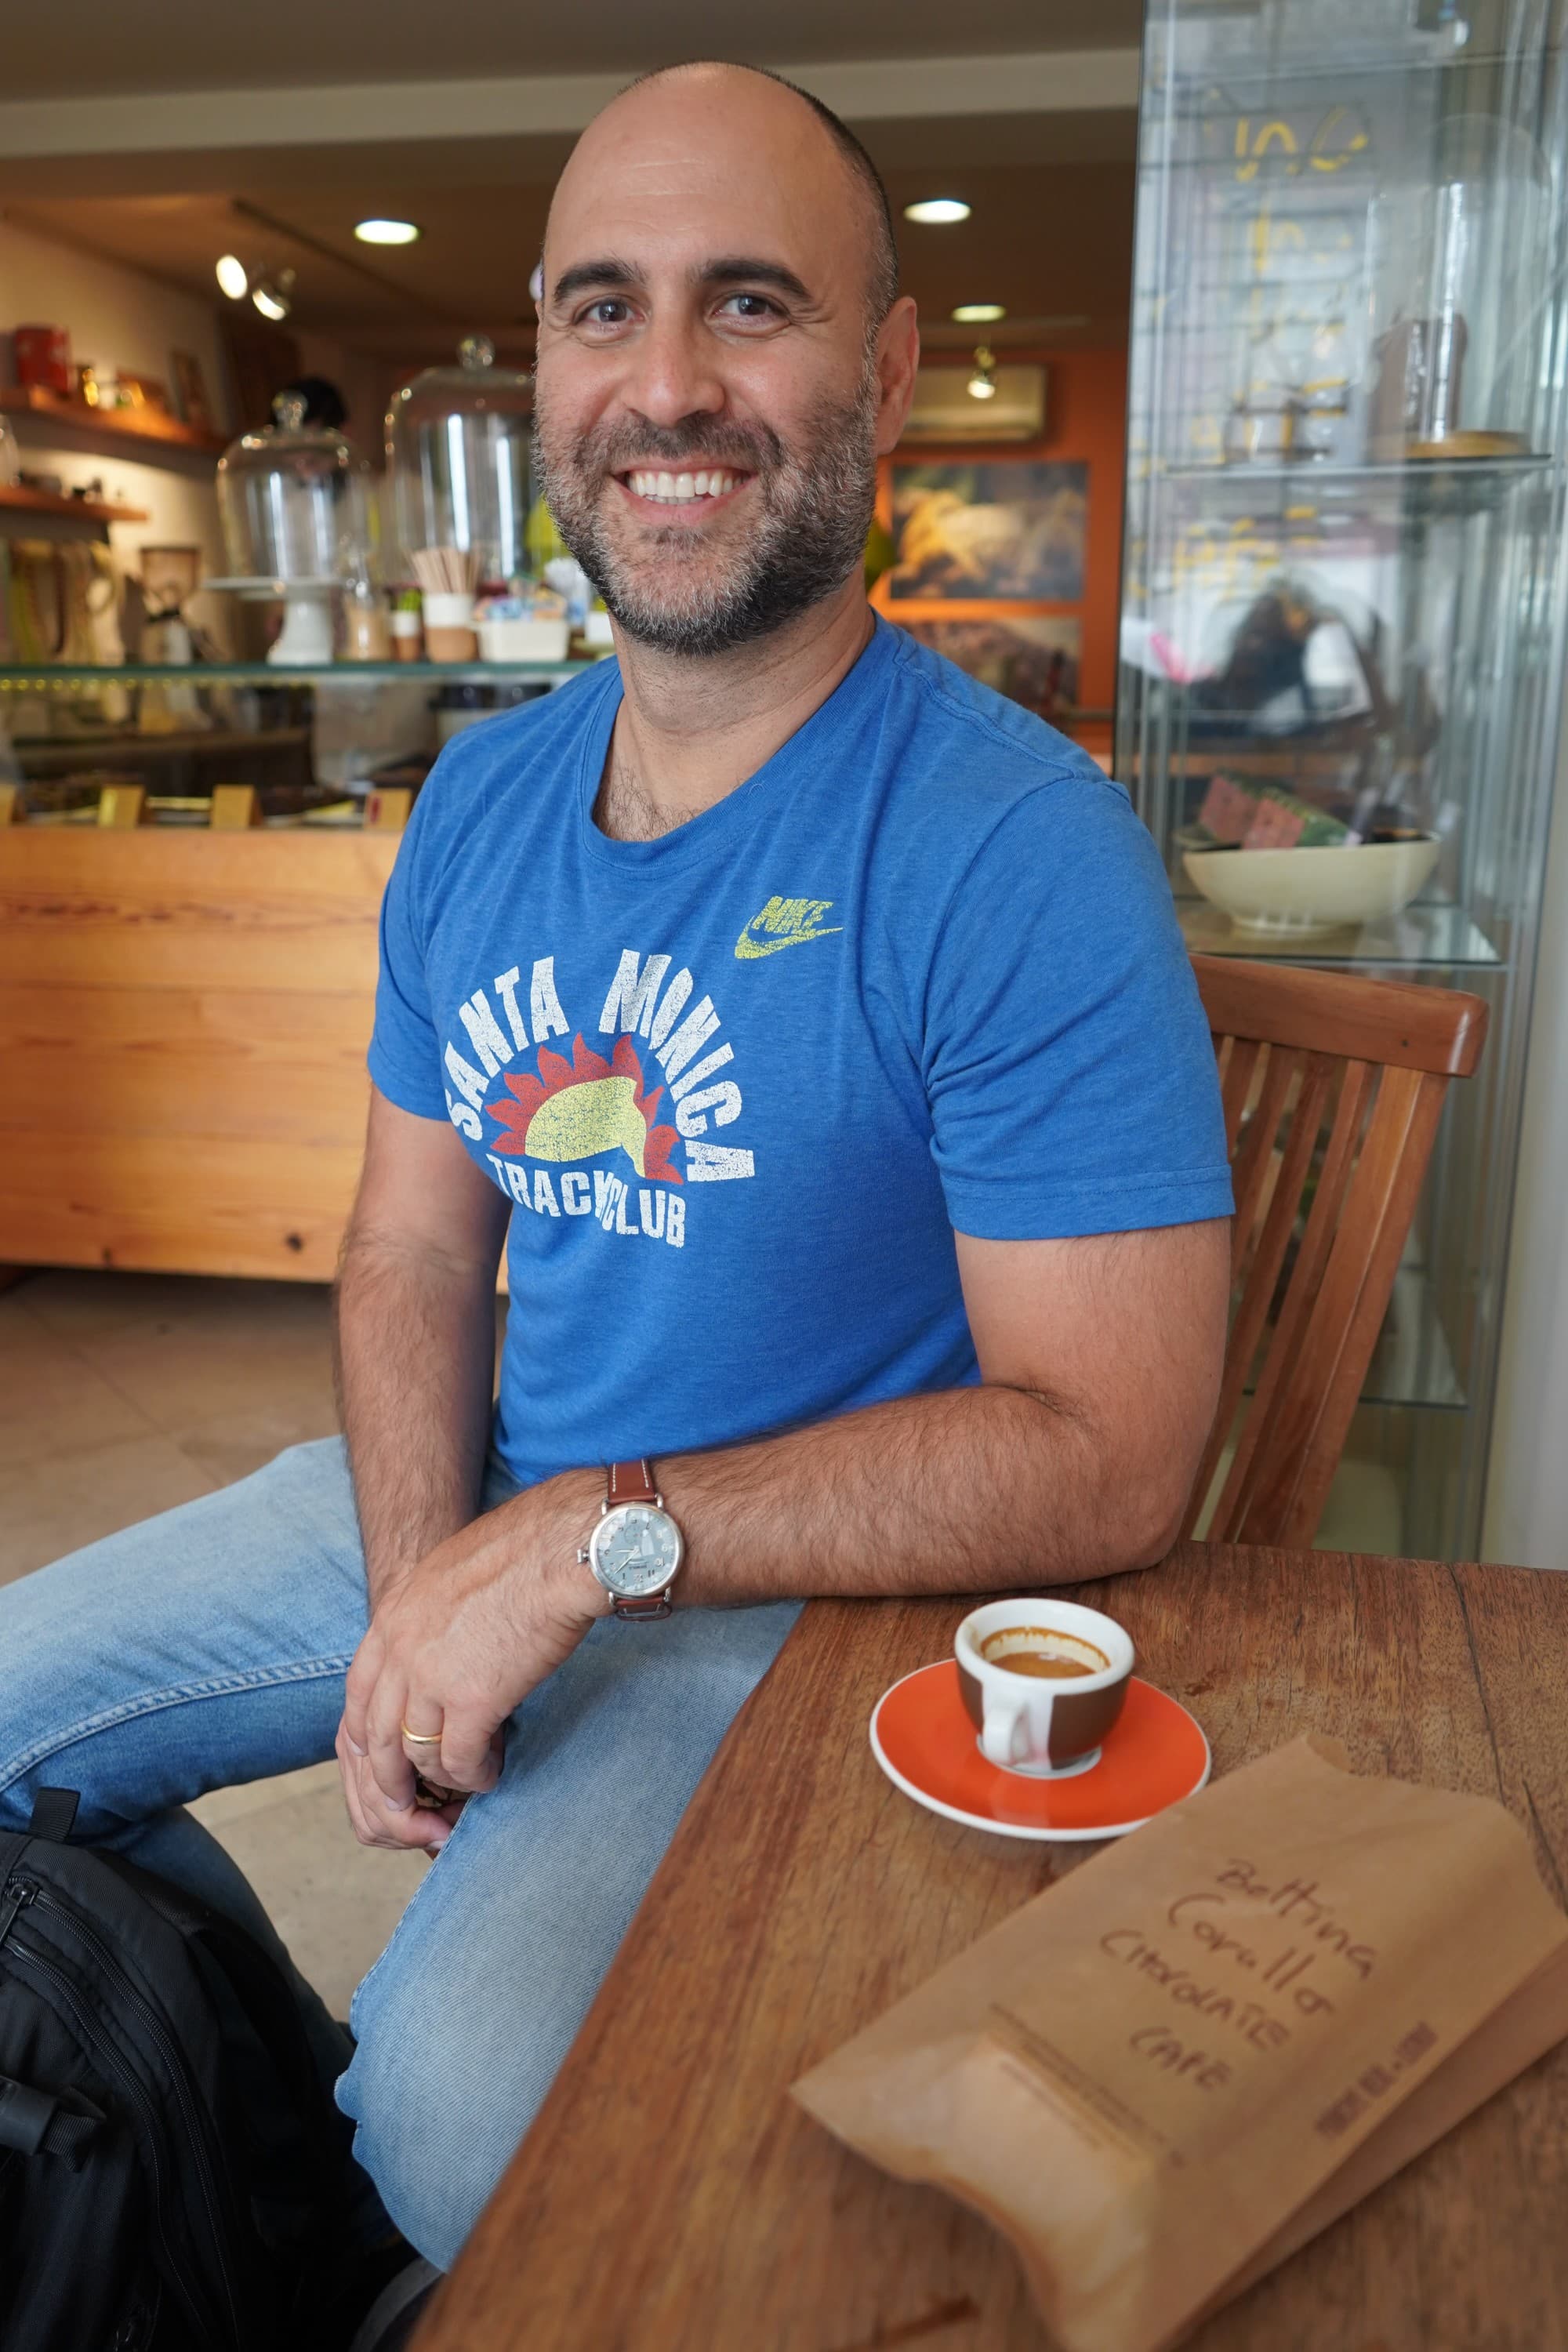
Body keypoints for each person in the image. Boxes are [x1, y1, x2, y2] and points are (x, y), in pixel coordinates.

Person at [0, 60, 1233, 2271]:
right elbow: (409, 1244)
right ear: (549, 367)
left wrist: (587, 1546)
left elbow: (1117, 1449)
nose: (667, 386)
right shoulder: (484, 801)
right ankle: (233, 2151)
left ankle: (326, 2197)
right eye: (603, 308)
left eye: (748, 302)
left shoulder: (1017, 845)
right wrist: (428, 1582)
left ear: (884, 372)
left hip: (794, 1597)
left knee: (473, 2129)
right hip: (486, 1502)